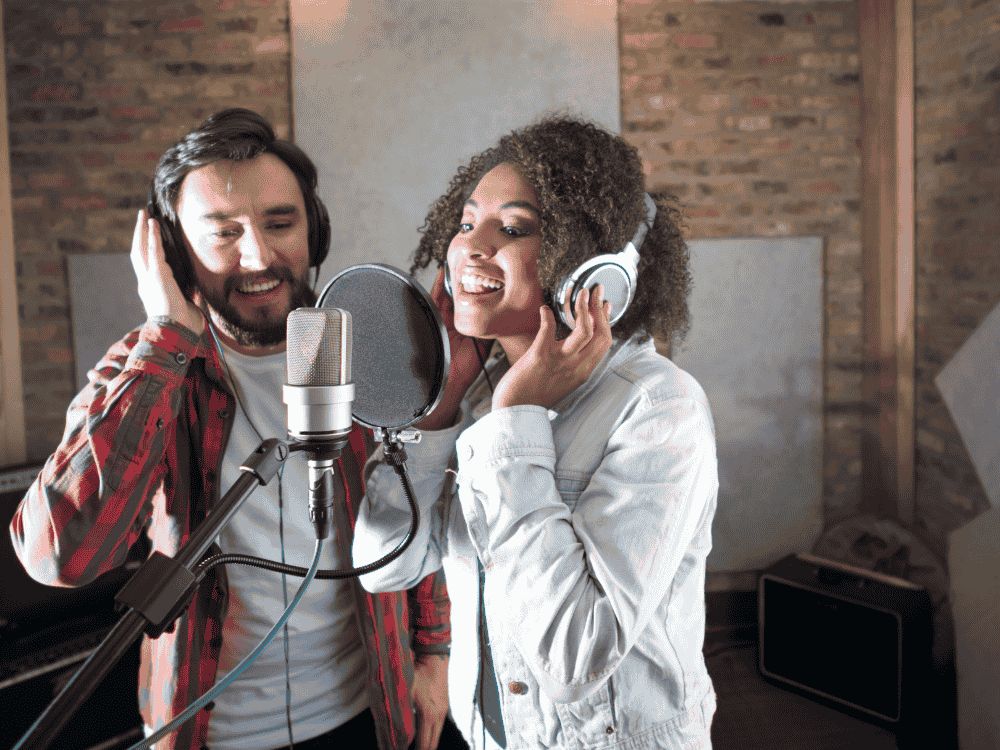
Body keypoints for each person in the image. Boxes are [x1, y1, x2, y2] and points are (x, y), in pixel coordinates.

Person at [10, 109, 453, 750]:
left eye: (281, 223)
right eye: (223, 233)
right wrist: (167, 338)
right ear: (172, 251)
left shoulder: (368, 346)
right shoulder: (148, 370)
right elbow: (61, 555)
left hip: (369, 711)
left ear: (315, 229)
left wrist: (433, 654)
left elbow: (409, 504)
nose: (259, 256)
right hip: (214, 732)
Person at [352, 115, 719, 749]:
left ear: (594, 272)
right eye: (467, 223)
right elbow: (383, 566)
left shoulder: (660, 409)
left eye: (513, 229)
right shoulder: (475, 399)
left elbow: (578, 655)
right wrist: (438, 411)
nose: (470, 246)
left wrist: (514, 424)